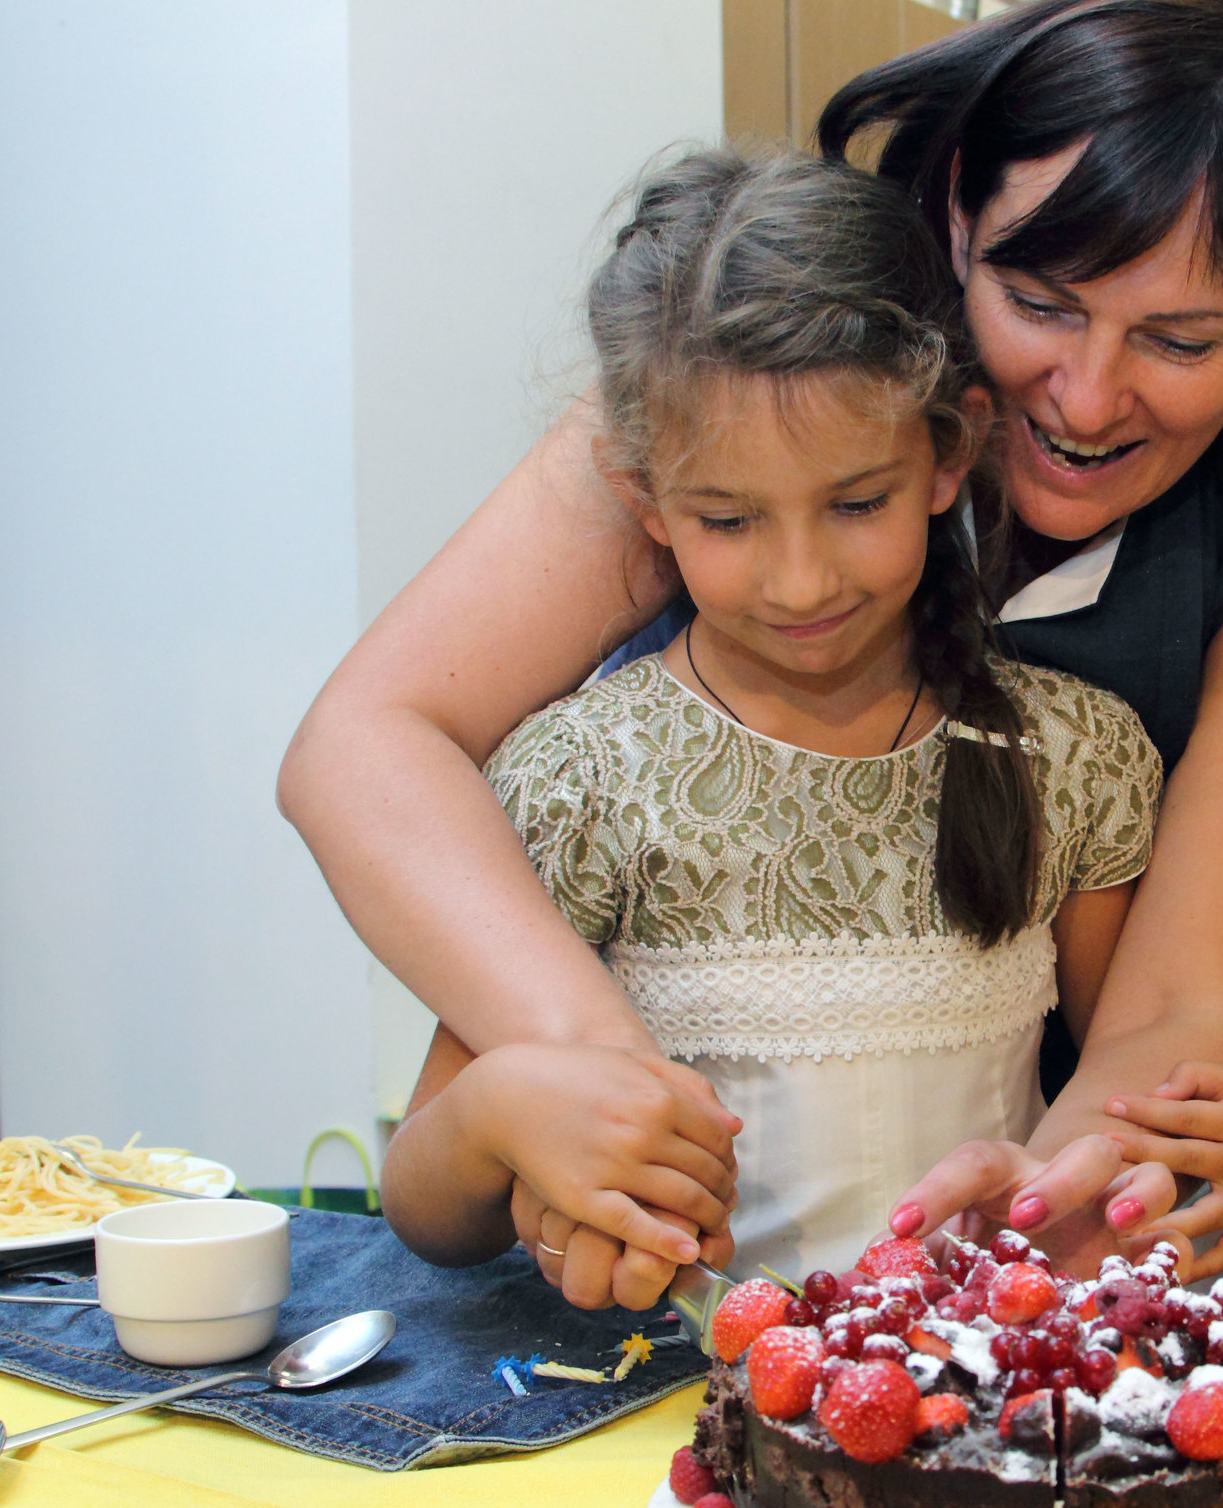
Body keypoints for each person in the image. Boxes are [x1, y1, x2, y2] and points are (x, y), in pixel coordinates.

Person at [278, 0, 1223, 1309]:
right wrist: (608, 1086)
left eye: (1180, 340)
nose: (1084, 398)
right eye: (1038, 303)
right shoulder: (750, 376)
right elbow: (365, 744)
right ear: (959, 214)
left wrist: (1033, 1229)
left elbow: (1184, 1003)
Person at [380, 149, 1165, 1286]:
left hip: (979, 1405)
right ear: (644, 498)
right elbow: (425, 1204)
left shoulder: (1073, 758)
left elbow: (1136, 1081)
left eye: (856, 503)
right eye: (728, 519)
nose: (798, 583)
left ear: (949, 451)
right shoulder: (580, 779)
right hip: (666, 1416)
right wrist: (502, 1114)